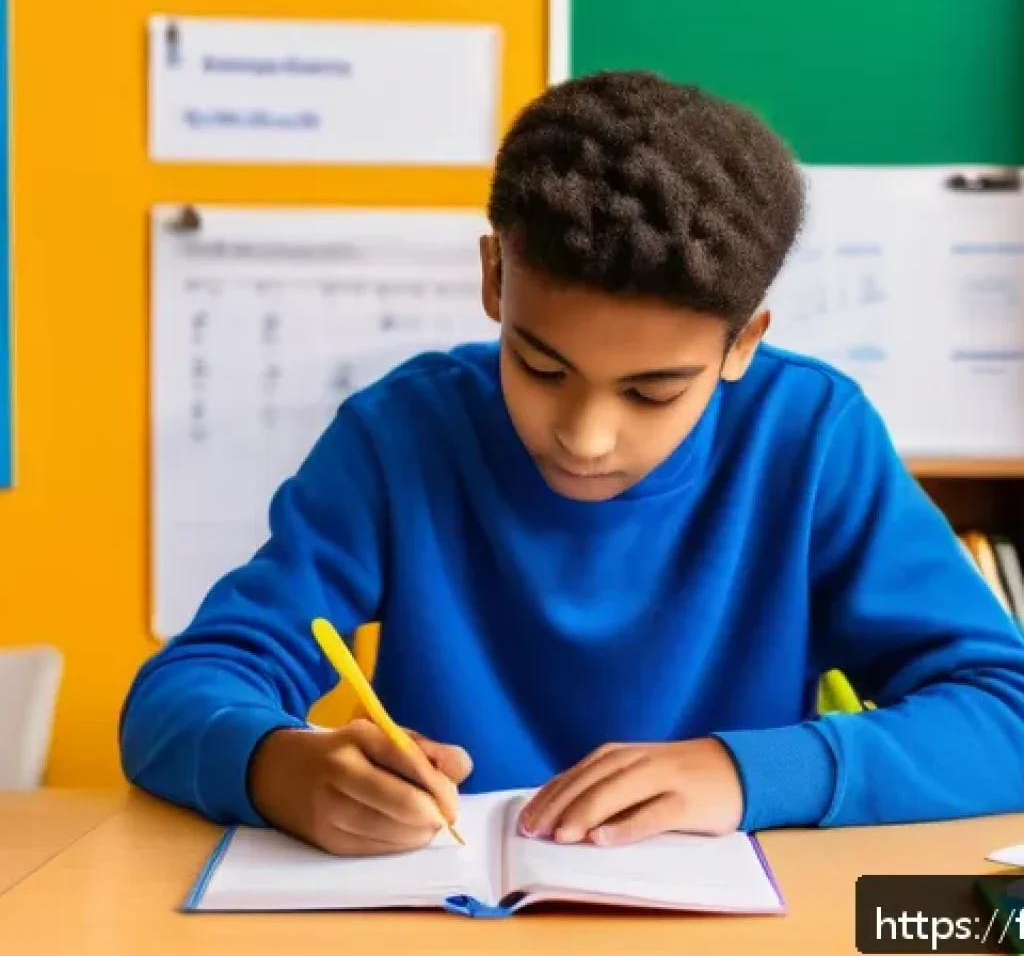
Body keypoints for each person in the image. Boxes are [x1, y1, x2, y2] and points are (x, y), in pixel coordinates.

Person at [120, 71, 1024, 857]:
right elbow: (176, 696)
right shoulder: (402, 434)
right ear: (494, 280)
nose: (585, 436)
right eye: (542, 367)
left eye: (653, 392)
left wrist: (749, 773)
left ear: (744, 342)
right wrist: (274, 765)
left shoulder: (813, 439)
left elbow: (1006, 715)